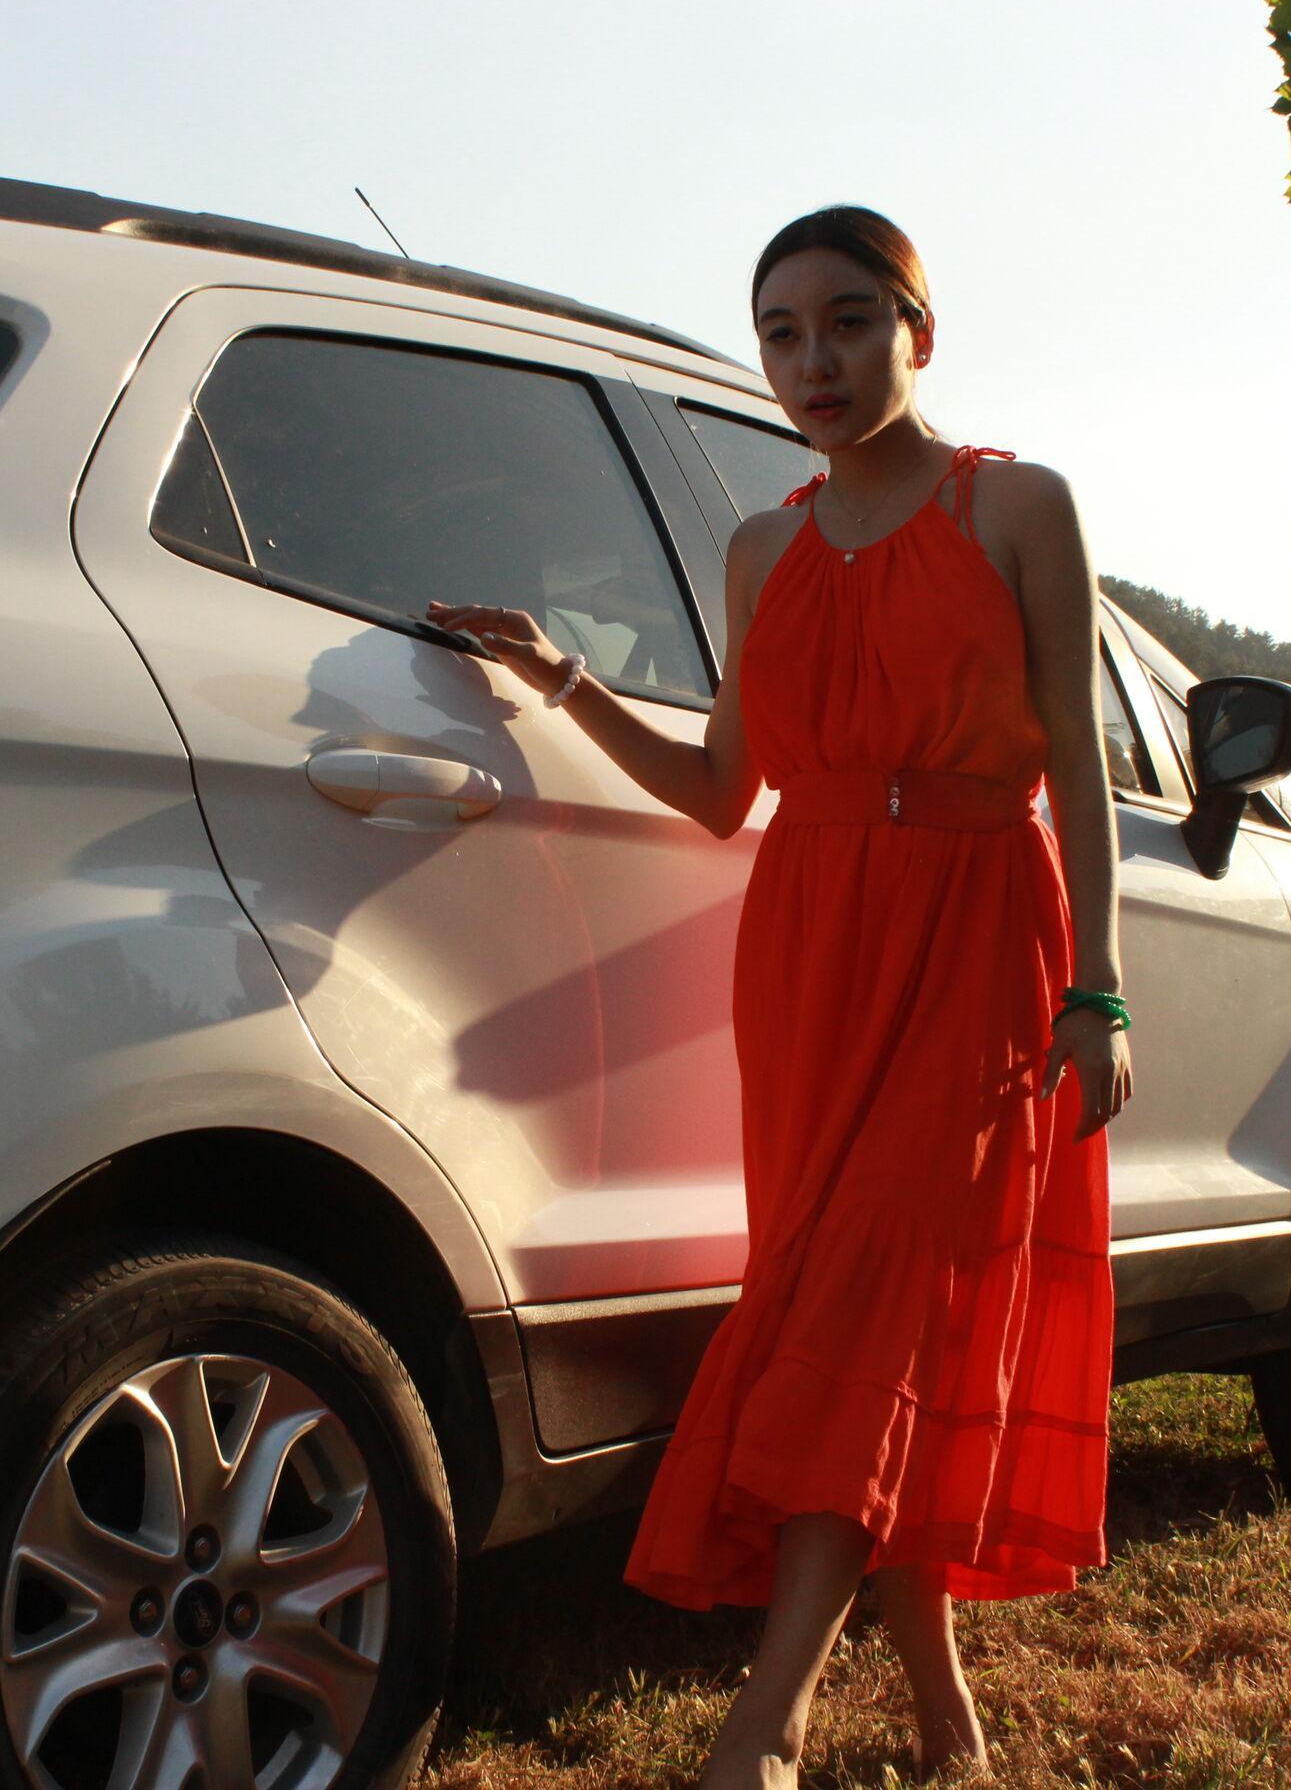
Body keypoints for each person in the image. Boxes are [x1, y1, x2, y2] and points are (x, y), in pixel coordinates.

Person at [425, 204, 1129, 1789]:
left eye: (851, 323)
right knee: (849, 1315)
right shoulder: (762, 548)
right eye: (783, 333)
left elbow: (1078, 766)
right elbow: (720, 790)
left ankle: (769, 1728)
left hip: (978, 933)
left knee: (881, 1297)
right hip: (809, 951)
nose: (816, 362)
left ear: (919, 334)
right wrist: (560, 679)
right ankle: (948, 1725)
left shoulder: (1020, 506)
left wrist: (1100, 990)